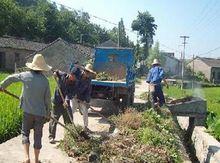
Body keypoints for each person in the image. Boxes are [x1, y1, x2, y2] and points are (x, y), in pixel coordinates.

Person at [0, 54, 52, 163]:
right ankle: (37, 160)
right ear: (42, 68)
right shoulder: (45, 81)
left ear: (32, 66)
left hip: (27, 111)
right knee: (38, 136)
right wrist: (48, 113)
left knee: (25, 133)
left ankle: (26, 157)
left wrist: (2, 86)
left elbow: (11, 78)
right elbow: (47, 100)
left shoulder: (25, 75)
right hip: (40, 114)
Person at [48, 69, 77, 143]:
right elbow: (56, 71)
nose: (75, 79)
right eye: (74, 77)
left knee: (69, 119)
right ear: (71, 74)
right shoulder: (63, 74)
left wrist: (66, 100)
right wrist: (55, 73)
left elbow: (71, 93)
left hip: (66, 103)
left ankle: (68, 136)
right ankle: (51, 136)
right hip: (57, 101)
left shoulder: (75, 83)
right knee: (54, 119)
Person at [71, 64, 96, 132]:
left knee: (85, 111)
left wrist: (86, 101)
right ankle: (70, 126)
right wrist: (73, 94)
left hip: (82, 97)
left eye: (89, 73)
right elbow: (71, 84)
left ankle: (85, 127)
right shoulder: (77, 74)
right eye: (87, 72)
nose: (88, 74)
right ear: (84, 71)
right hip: (74, 96)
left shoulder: (88, 80)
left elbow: (88, 91)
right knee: (72, 110)